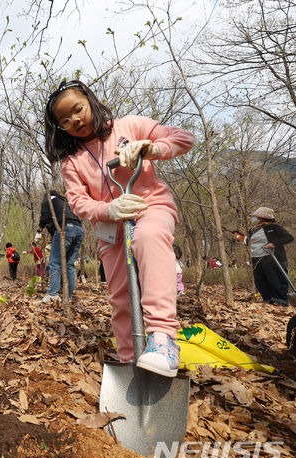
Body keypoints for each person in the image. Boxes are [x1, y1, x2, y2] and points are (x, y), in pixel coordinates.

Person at [45, 79, 194, 377]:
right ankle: (131, 360)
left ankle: (163, 339)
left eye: (77, 109)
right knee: (121, 294)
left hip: (149, 207)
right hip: (110, 228)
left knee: (149, 237)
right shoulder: (71, 162)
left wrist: (152, 148)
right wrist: (107, 209)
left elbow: (184, 138)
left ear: (90, 101)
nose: (74, 120)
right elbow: (78, 202)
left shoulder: (130, 125)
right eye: (64, 120)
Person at [37, 190, 84, 303]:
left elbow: (44, 216)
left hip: (66, 229)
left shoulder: (48, 199)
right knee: (69, 265)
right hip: (79, 230)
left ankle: (53, 294)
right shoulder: (65, 201)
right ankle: (69, 297)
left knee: (54, 262)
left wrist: (39, 231)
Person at [245, 207, 293, 306]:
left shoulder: (274, 227)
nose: (253, 217)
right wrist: (240, 237)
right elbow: (247, 242)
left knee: (276, 279)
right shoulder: (253, 230)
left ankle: (282, 300)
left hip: (273, 258)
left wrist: (274, 244)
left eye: (255, 216)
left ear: (262, 217)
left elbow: (289, 238)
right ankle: (268, 299)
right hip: (257, 259)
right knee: (261, 280)